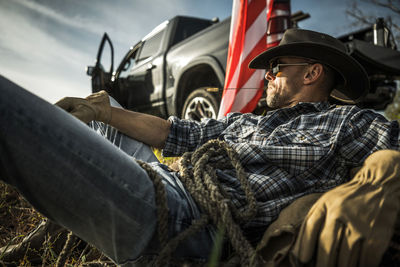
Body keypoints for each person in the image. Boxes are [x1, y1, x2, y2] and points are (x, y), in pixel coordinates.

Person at [1, 28, 400, 266]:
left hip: (189, 216)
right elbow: (175, 134)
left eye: (277, 69)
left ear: (312, 73)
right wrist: (100, 111)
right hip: (173, 179)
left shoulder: (350, 122)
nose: (268, 78)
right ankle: (47, 236)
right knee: (111, 116)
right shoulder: (249, 121)